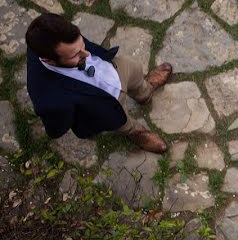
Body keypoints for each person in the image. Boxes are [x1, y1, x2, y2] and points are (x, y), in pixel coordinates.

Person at [25, 13, 172, 153]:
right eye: (75, 55)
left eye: (82, 46)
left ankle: (145, 93)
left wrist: (78, 52)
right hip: (103, 106)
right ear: (48, 60)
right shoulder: (48, 99)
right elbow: (56, 129)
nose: (87, 54)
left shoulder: (57, 34)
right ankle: (136, 132)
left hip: (112, 68)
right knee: (123, 123)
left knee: (135, 70)